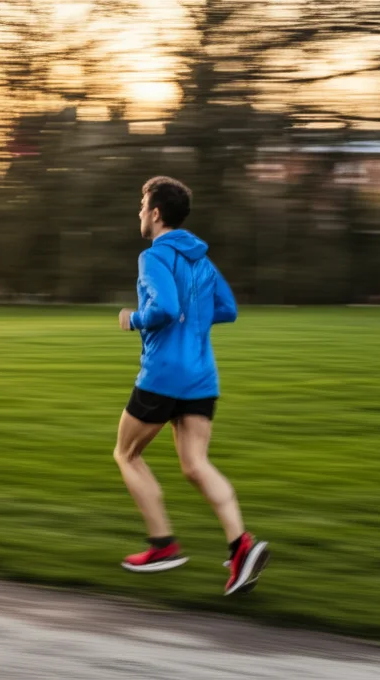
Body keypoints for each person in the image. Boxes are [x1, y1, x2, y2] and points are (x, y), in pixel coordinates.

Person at [115, 176, 269, 596]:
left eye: (143, 205)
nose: (140, 213)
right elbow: (228, 309)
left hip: (163, 374)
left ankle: (162, 545)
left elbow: (165, 308)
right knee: (195, 464)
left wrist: (135, 318)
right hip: (202, 376)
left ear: (157, 213)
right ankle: (241, 546)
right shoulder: (202, 258)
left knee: (126, 453)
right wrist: (192, 322)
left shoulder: (154, 256)